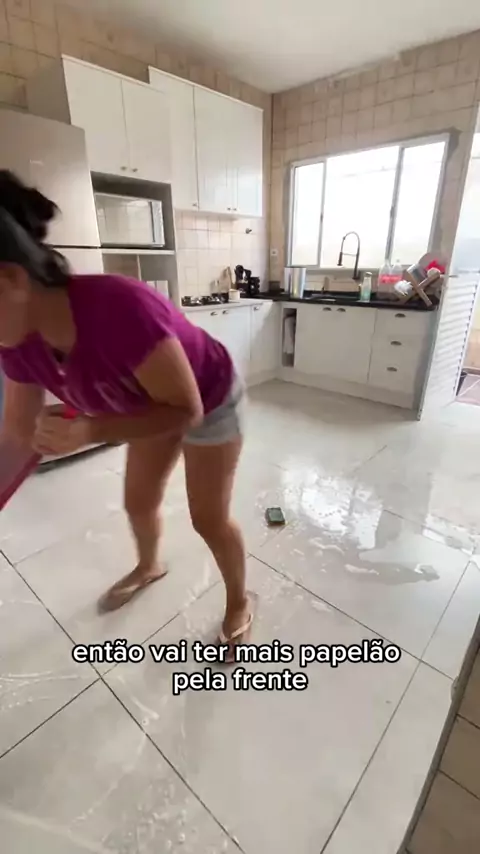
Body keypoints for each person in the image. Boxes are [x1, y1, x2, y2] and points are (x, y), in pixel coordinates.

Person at [0, 171, 252, 652]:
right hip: (144, 406)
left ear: (10, 280)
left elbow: (186, 411)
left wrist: (92, 429)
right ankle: (149, 565)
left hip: (209, 398)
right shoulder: (16, 343)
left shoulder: (120, 308)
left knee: (208, 518)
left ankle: (239, 600)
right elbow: (14, 439)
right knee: (139, 502)